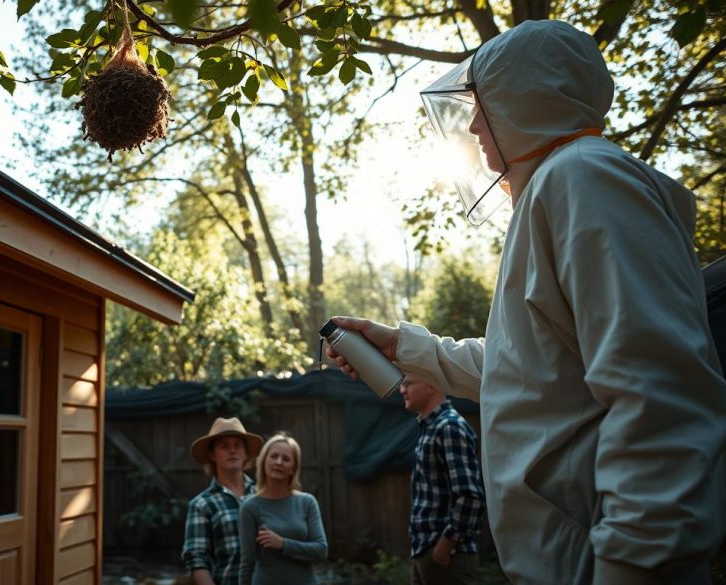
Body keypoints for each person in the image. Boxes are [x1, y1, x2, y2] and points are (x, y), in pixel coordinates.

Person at [328, 19, 726, 585]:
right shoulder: (560, 186)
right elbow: (528, 373)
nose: (469, 122)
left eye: (481, 102)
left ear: (525, 94)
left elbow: (660, 392)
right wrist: (403, 346)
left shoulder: (584, 178)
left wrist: (639, 563)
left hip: (604, 561)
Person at [401, 375, 485, 585]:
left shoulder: (449, 427)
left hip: (447, 558)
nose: (402, 390)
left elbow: (470, 496)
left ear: (431, 385)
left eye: (408, 383)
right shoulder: (431, 427)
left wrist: (444, 547)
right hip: (425, 553)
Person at [182, 417, 264, 585]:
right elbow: (197, 561)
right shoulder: (201, 505)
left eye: (237, 445)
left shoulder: (263, 496)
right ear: (212, 454)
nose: (232, 450)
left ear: (246, 453)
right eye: (224, 446)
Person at [238, 432, 327, 585]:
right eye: (273, 456)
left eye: (286, 459)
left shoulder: (307, 502)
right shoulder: (250, 506)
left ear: (293, 468)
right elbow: (247, 561)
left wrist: (283, 544)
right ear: (264, 461)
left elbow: (321, 550)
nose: (279, 462)